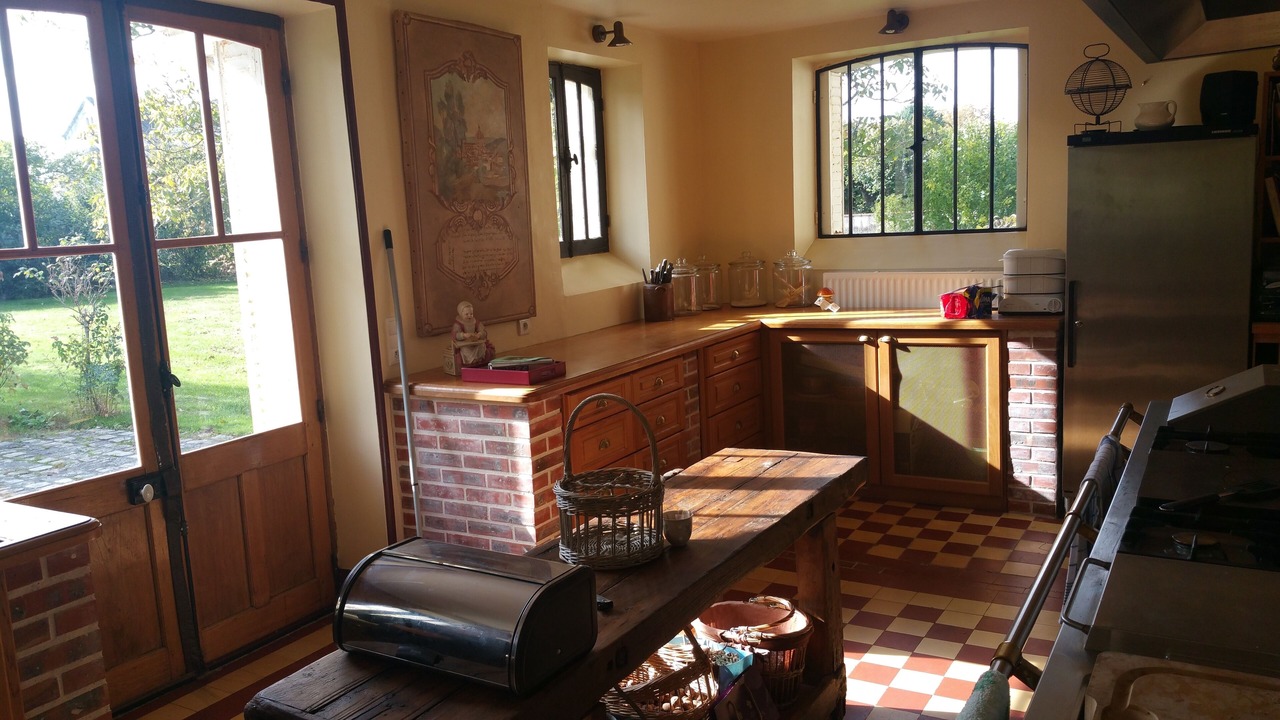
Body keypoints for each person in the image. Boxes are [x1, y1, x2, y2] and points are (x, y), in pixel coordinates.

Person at [452, 300, 495, 368]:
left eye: (471, 314)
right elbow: (455, 335)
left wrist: (479, 334)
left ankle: (479, 361)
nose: (469, 316)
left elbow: (483, 331)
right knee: (466, 350)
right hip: (465, 344)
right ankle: (471, 362)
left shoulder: (475, 322)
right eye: (466, 314)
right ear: (461, 313)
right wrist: (464, 335)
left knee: (481, 346)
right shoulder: (458, 324)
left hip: (475, 342)